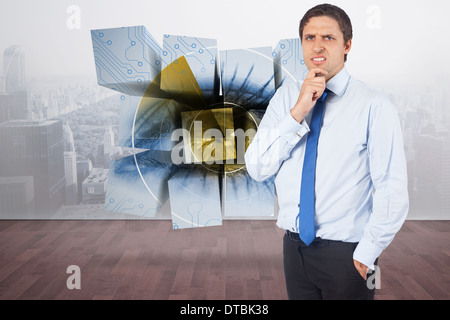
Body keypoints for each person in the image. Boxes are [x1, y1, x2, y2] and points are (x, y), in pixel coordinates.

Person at [245, 3, 409, 300]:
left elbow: (391, 188)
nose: (317, 46)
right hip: (294, 249)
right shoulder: (287, 97)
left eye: (328, 38)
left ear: (347, 45)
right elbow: (258, 168)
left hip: (349, 254)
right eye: (309, 38)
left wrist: (367, 254)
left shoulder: (375, 105)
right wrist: (298, 112)